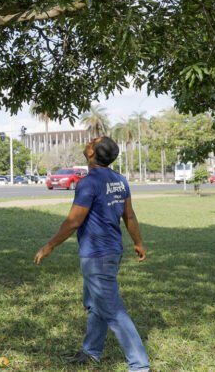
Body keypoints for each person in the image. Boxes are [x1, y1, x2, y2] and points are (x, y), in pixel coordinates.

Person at [34, 137, 150, 372]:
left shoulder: (88, 183)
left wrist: (49, 246)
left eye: (92, 142)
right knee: (95, 305)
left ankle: (140, 366)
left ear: (91, 153)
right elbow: (129, 216)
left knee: (113, 310)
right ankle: (91, 352)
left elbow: (73, 221)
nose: (89, 141)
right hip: (111, 251)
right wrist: (137, 242)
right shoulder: (119, 180)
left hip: (97, 255)